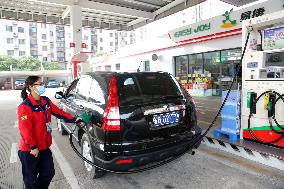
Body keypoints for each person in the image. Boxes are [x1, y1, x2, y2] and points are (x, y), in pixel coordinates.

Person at [17, 76, 83, 189]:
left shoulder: (45, 101)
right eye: (40, 84)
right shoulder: (25, 107)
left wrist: (74, 119)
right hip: (30, 150)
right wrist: (33, 146)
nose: (43, 86)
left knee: (48, 173)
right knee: (30, 180)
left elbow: (59, 112)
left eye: (42, 83)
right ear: (31, 87)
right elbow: (25, 130)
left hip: (44, 147)